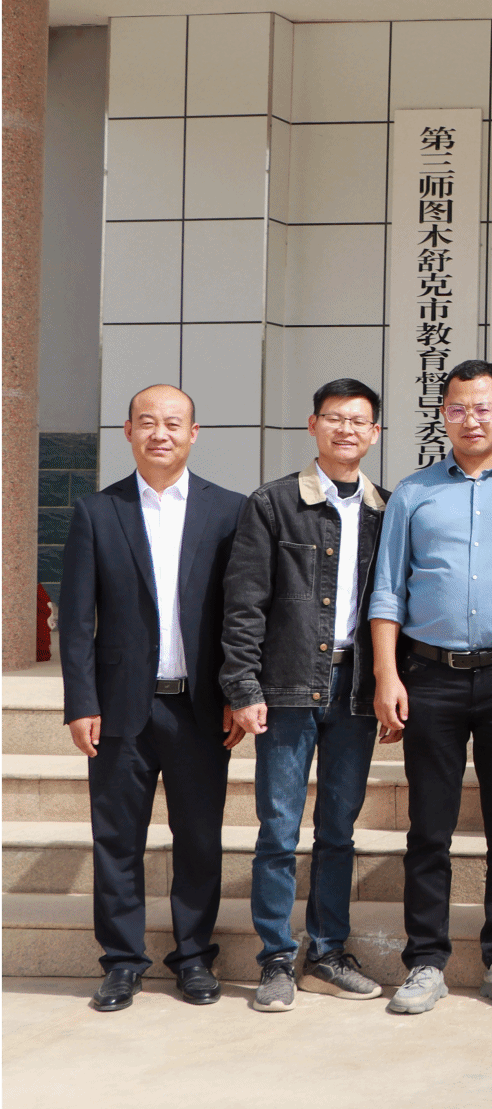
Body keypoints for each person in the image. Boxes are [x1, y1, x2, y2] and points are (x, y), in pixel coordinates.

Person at [369, 360, 492, 1016]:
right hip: (429, 677)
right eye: (458, 408)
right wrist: (388, 674)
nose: (471, 419)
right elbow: (388, 591)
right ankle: (426, 961)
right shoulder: (413, 494)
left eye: (483, 408)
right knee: (429, 826)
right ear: (443, 415)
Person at [59, 385, 245, 1012]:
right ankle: (121, 962)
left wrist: (235, 691)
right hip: (119, 708)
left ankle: (193, 958)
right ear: (128, 432)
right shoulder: (96, 511)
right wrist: (81, 702)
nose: (160, 433)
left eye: (172, 423)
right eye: (147, 422)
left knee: (199, 838)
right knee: (117, 840)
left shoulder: (229, 511)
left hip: (200, 707)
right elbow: (77, 620)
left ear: (194, 433)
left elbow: (241, 614)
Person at [219, 379, 390, 1011]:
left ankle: (327, 953)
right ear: (313, 425)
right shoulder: (272, 504)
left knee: (338, 829)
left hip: (356, 689)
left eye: (359, 421)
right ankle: (275, 959)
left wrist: (391, 684)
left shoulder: (386, 510)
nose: (347, 430)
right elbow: (244, 605)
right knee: (278, 829)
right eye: (334, 418)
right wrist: (243, 687)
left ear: (375, 434)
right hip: (288, 686)